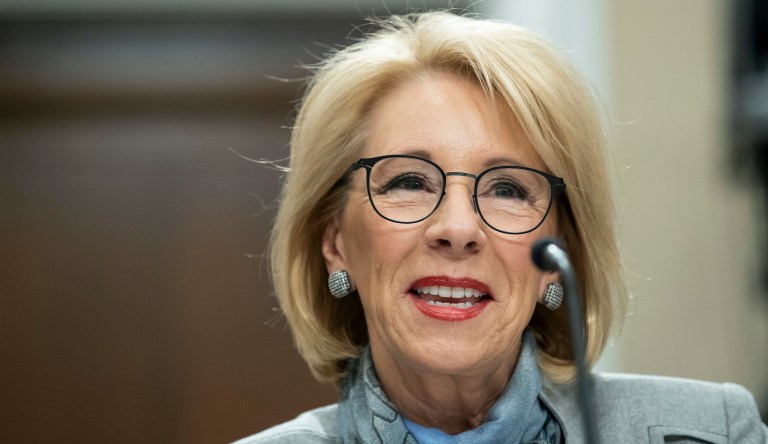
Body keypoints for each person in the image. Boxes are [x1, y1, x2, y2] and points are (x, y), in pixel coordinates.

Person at [236, 11, 768, 444]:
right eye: (409, 182)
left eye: (508, 189)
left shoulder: (712, 430)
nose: (459, 228)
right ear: (335, 244)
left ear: (557, 254)